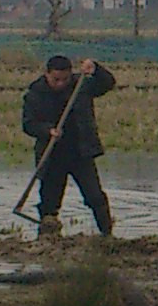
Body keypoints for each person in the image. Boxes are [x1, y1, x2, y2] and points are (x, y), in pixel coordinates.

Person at [19, 54, 118, 236]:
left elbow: (108, 83)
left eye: (64, 79)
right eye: (56, 79)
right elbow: (28, 124)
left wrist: (95, 68)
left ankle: (107, 234)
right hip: (52, 155)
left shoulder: (81, 86)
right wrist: (47, 130)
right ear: (47, 74)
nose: (60, 84)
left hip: (81, 152)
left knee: (95, 196)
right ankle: (48, 238)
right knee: (49, 201)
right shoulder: (35, 94)